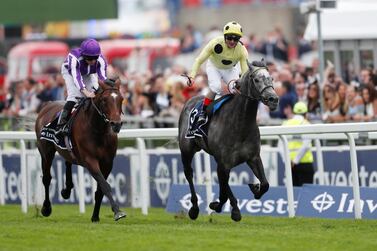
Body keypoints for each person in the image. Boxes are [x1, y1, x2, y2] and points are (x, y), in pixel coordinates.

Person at [187, 21, 248, 123]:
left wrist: (242, 84)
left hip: (231, 69)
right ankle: (203, 111)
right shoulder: (214, 43)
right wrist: (192, 76)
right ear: (224, 36)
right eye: (229, 38)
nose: (232, 41)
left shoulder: (242, 50)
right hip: (214, 67)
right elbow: (199, 61)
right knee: (216, 87)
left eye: (236, 39)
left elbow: (245, 72)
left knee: (235, 89)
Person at [56, 38, 108, 135]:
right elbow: (77, 78)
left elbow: (103, 79)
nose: (92, 61)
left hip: (88, 73)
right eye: (89, 58)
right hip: (70, 72)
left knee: (97, 90)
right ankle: (61, 125)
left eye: (95, 58)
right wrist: (86, 92)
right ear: (83, 56)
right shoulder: (74, 59)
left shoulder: (101, 60)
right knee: (74, 96)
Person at [282, 102, 315, 186]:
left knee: (292, 195)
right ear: (306, 114)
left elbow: (280, 145)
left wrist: (287, 161)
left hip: (290, 165)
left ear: (294, 112)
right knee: (306, 195)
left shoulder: (286, 124)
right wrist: (295, 161)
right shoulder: (306, 124)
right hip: (305, 163)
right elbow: (306, 145)